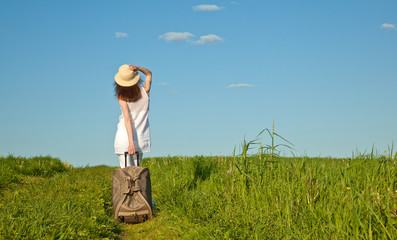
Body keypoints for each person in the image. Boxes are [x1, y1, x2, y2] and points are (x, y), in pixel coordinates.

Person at [114, 64, 152, 168]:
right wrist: (138, 68)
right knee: (137, 176)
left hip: (125, 139)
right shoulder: (145, 91)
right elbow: (149, 73)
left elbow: (127, 119)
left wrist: (130, 143)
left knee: (126, 176)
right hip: (140, 139)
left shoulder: (121, 96)